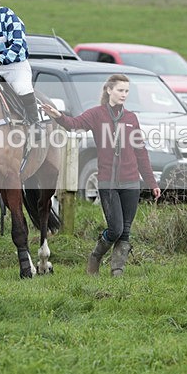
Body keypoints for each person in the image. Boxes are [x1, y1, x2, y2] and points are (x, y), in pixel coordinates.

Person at [41, 74, 161, 277]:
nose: (124, 94)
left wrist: (152, 182)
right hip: (107, 181)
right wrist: (58, 116)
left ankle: (117, 271)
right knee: (115, 229)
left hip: (131, 182)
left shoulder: (131, 118)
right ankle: (95, 256)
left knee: (126, 231)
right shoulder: (96, 115)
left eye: (126, 91)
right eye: (121, 90)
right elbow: (73, 124)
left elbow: (141, 152)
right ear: (109, 90)